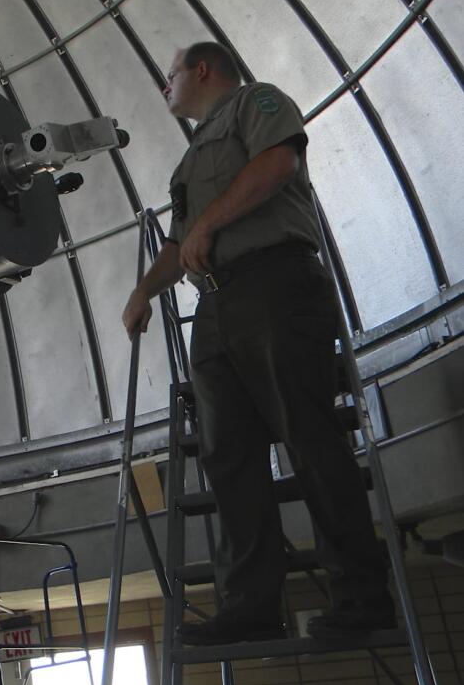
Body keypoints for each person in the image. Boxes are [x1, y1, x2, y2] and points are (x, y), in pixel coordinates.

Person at [121, 42, 393, 645]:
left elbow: (276, 167)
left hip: (276, 283)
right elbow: (178, 244)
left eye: (169, 75)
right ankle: (248, 606)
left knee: (309, 433)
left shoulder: (258, 103)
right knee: (229, 458)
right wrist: (143, 292)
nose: (163, 88)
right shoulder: (189, 162)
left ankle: (361, 593)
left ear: (201, 69)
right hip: (216, 304)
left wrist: (212, 223)